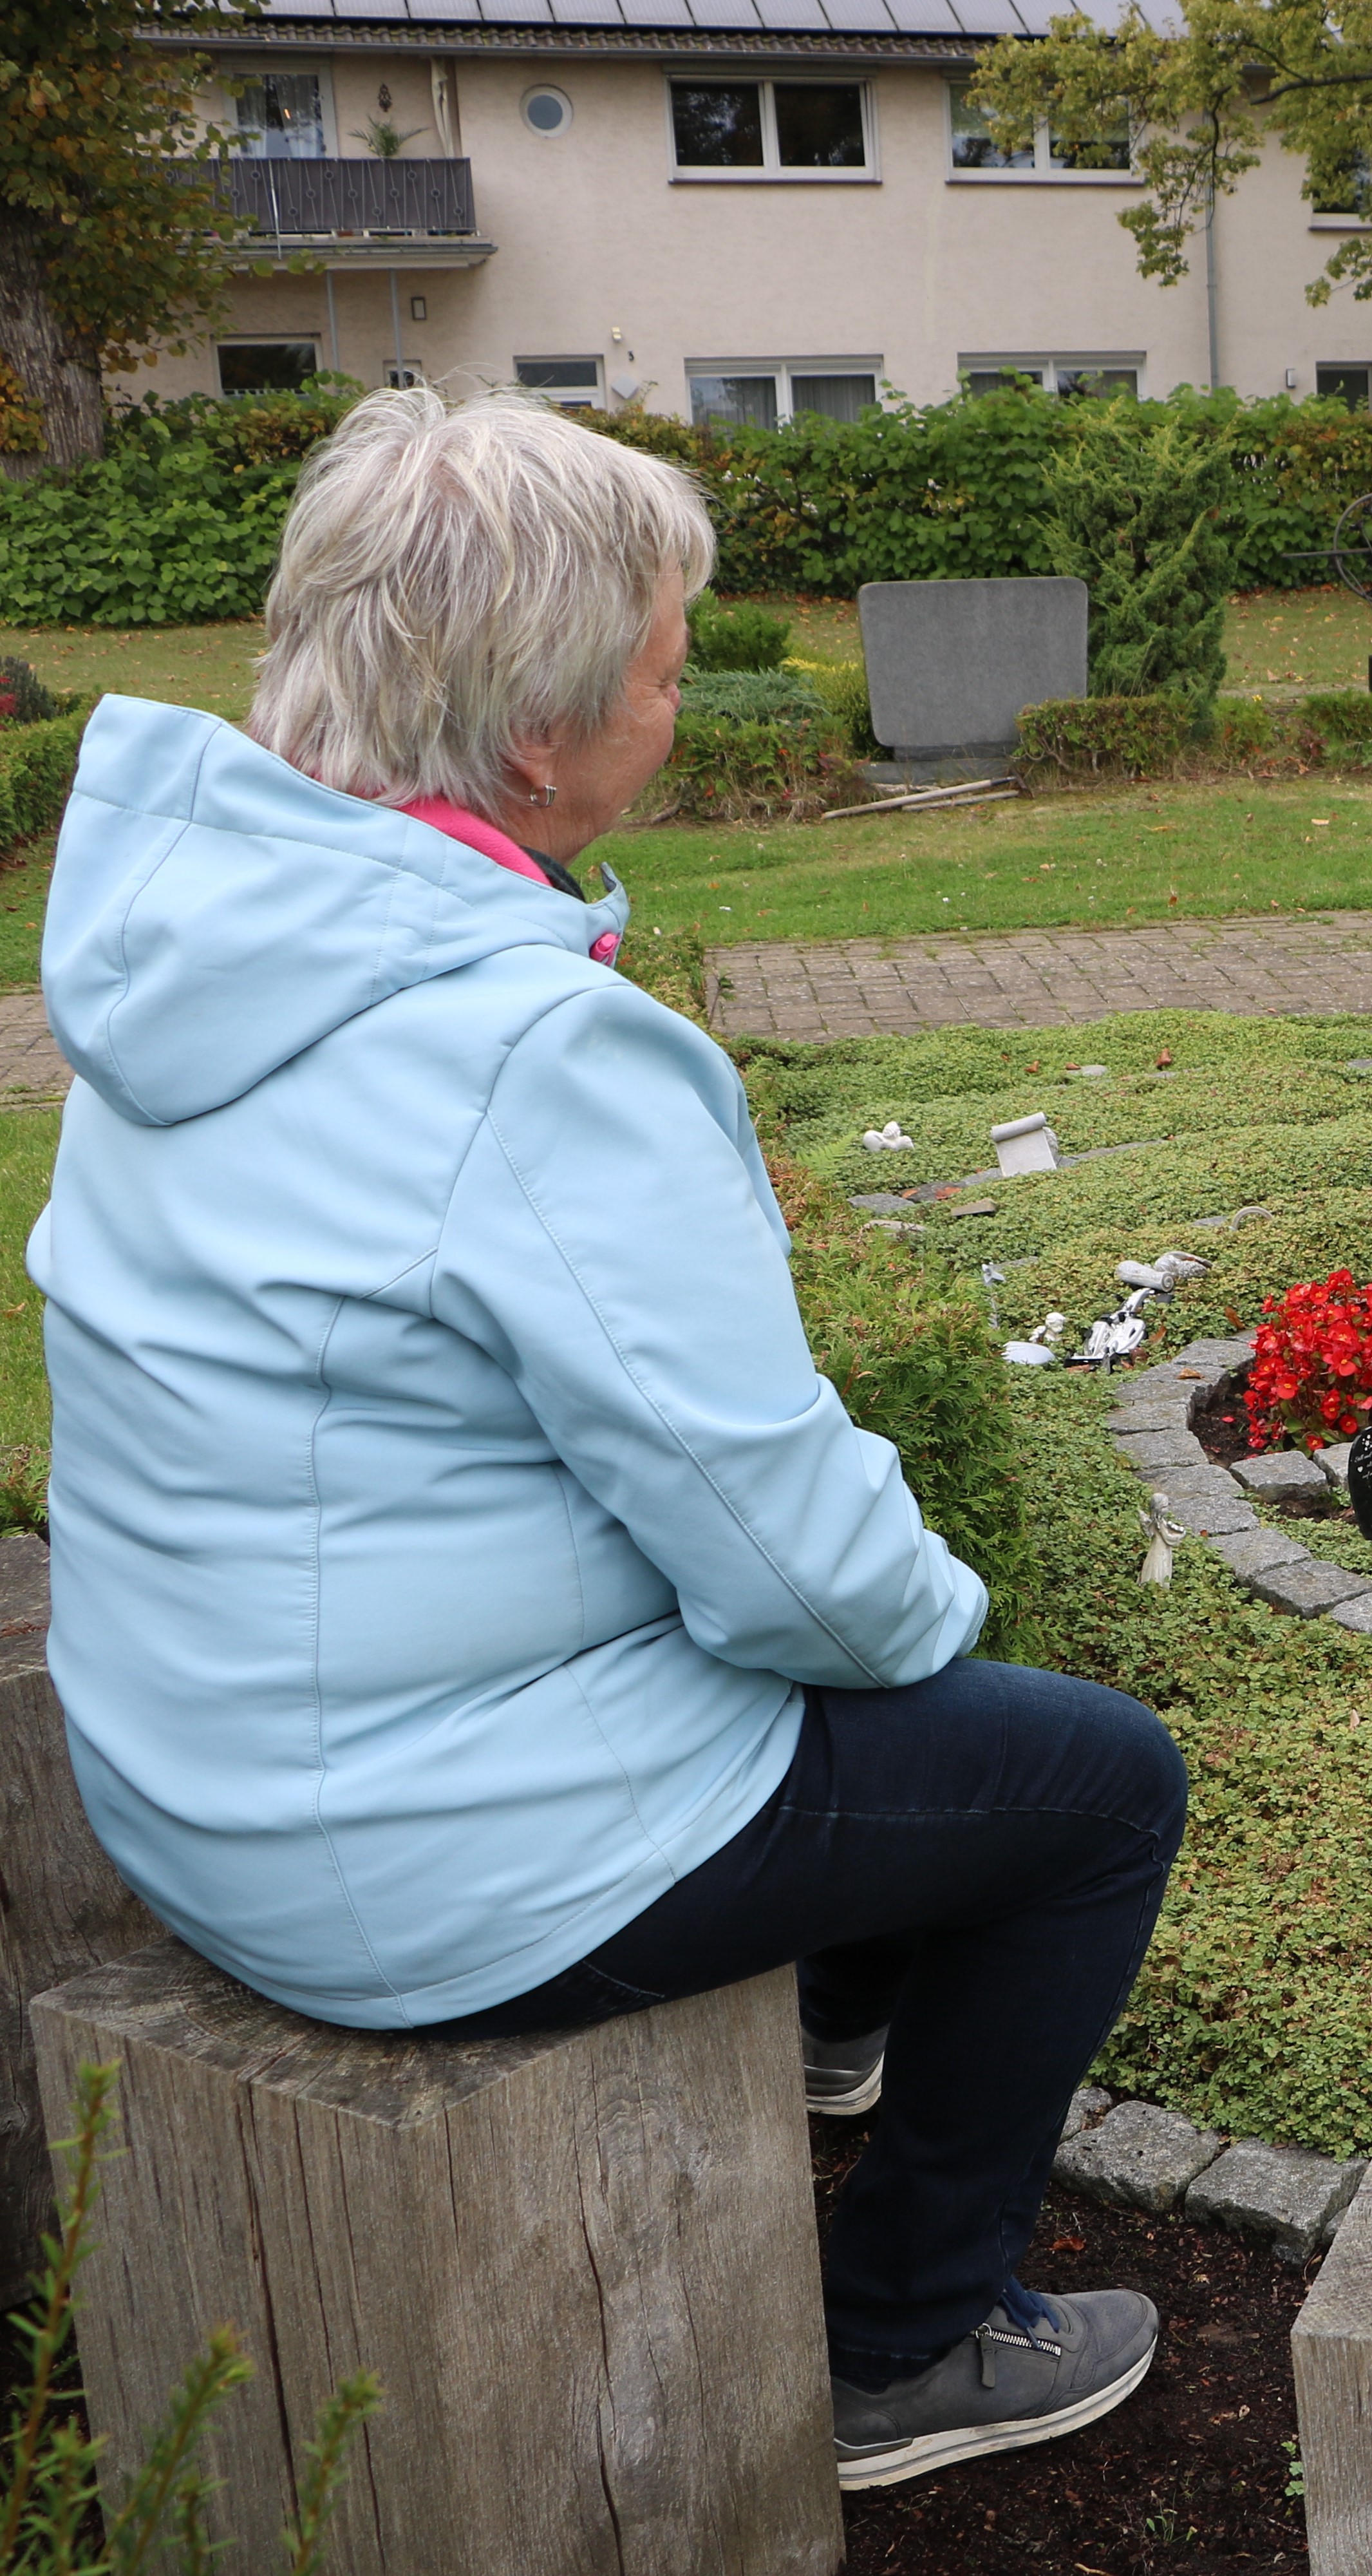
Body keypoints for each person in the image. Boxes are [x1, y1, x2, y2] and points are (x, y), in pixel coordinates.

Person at [28, 389, 1186, 2492]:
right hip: (411, 1869)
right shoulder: (536, 1053)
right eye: (665, 669)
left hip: (191, 1788)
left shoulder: (200, 975)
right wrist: (947, 1611)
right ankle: (906, 2343)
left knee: (852, 1721)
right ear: (541, 739)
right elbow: (795, 1559)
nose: (685, 704)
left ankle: (828, 2027)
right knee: (1085, 1780)